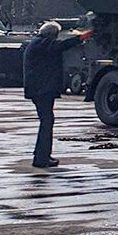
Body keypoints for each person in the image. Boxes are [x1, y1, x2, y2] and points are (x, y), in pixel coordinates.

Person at [21, 20, 90, 169]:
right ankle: (41, 158)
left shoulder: (37, 43)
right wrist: (82, 37)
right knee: (47, 122)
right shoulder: (43, 44)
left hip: (39, 89)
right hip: (42, 90)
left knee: (46, 121)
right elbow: (61, 46)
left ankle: (42, 155)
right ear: (51, 34)